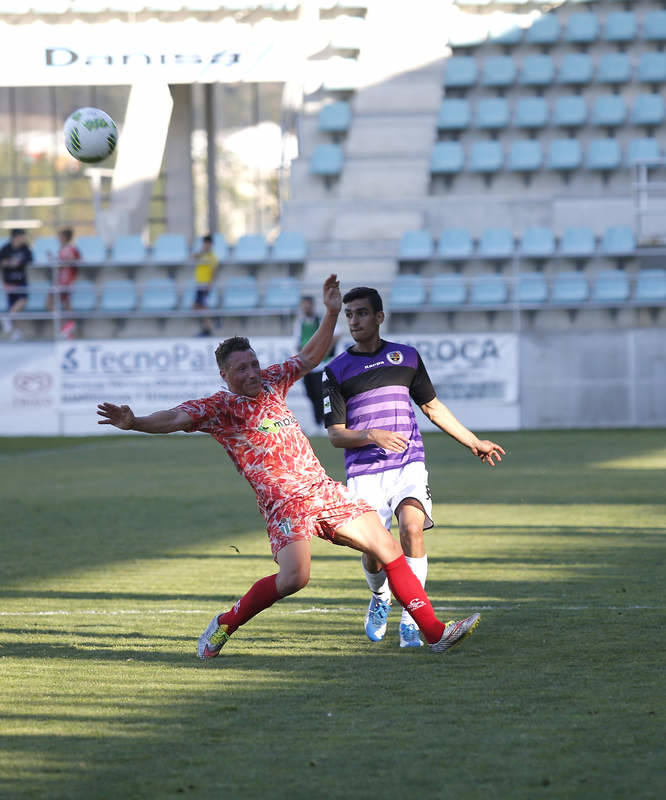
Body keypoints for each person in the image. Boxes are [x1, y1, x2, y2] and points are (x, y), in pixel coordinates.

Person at [97, 274, 483, 659]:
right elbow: (173, 418)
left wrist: (330, 313)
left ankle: (434, 633)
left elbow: (311, 357)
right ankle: (226, 623)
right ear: (224, 376)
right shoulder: (219, 407)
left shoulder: (271, 382)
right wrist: (136, 422)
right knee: (295, 579)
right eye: (241, 369)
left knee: (388, 547)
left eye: (253, 364)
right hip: (285, 504)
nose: (251, 373)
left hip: (322, 489)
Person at [323, 286, 505, 648]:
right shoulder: (336, 370)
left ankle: (411, 615)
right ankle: (380, 599)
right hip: (364, 472)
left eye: (361, 313)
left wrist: (474, 441)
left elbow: (433, 408)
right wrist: (371, 434)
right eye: (349, 315)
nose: (354, 321)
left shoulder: (406, 357)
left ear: (379, 317)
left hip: (408, 465)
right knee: (374, 554)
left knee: (412, 529)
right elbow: (335, 436)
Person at [294, 294, 340, 427]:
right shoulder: (300, 323)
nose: (306, 307)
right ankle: (317, 421)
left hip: (322, 365)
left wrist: (323, 351)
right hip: (307, 365)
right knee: (310, 393)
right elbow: (298, 342)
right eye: (304, 304)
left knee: (321, 394)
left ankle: (323, 421)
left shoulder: (322, 320)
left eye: (308, 304)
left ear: (312, 305)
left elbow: (336, 335)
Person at [47, 227, 81, 339]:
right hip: (62, 281)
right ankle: (68, 328)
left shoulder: (70, 249)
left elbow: (76, 261)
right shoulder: (64, 249)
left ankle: (68, 326)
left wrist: (58, 262)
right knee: (65, 304)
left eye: (60, 236)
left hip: (65, 282)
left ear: (65, 237)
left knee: (51, 303)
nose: (58, 238)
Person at [0, 228, 32, 340]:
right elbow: (2, 262)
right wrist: (9, 263)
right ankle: (15, 331)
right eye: (21, 236)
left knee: (22, 300)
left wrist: (18, 263)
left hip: (21, 281)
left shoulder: (25, 248)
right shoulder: (5, 248)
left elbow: (30, 259)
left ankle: (7, 319)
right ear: (15, 237)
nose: (23, 239)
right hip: (9, 281)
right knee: (13, 307)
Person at [192, 234, 218, 337]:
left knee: (203, 307)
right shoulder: (201, 255)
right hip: (199, 285)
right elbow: (192, 257)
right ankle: (207, 326)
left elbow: (214, 271)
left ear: (211, 244)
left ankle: (208, 329)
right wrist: (202, 251)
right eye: (204, 243)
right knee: (197, 307)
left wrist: (209, 284)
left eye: (208, 244)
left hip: (205, 286)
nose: (206, 245)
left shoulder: (213, 257)